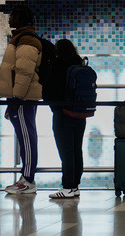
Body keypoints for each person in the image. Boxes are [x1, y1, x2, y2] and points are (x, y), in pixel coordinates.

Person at [0, 6, 43, 195]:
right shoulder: (21, 38)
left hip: (23, 97)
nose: (10, 18)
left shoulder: (27, 39)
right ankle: (26, 177)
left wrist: (17, 97)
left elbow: (24, 71)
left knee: (27, 136)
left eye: (13, 15)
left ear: (20, 18)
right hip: (20, 97)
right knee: (25, 135)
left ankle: (28, 179)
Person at [46, 39, 85, 200]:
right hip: (80, 114)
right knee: (77, 149)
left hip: (62, 113)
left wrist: (53, 105)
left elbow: (49, 90)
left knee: (66, 151)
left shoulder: (57, 65)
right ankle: (75, 185)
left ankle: (67, 186)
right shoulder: (80, 64)